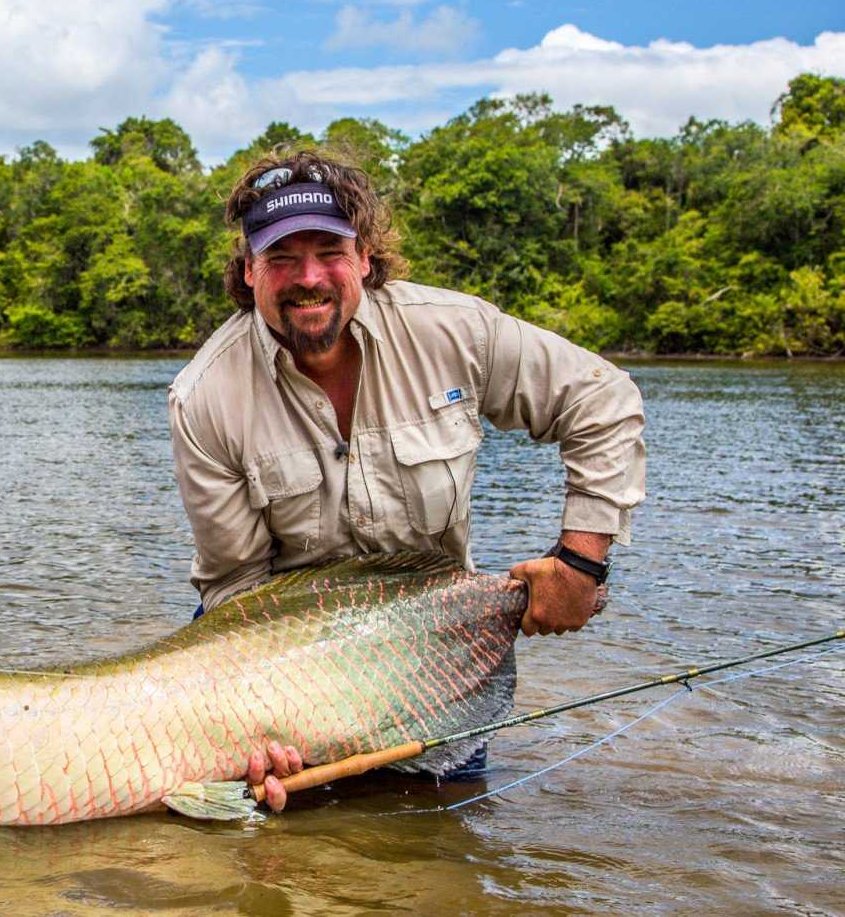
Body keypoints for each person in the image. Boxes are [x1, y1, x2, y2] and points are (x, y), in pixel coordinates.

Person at [168, 148, 646, 810]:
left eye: (329, 250)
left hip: (434, 645)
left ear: (365, 256)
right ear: (249, 271)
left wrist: (579, 563)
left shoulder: (454, 331)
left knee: (433, 839)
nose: (308, 277)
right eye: (281, 258)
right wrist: (264, 724)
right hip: (280, 649)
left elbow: (602, 398)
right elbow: (238, 589)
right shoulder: (204, 396)